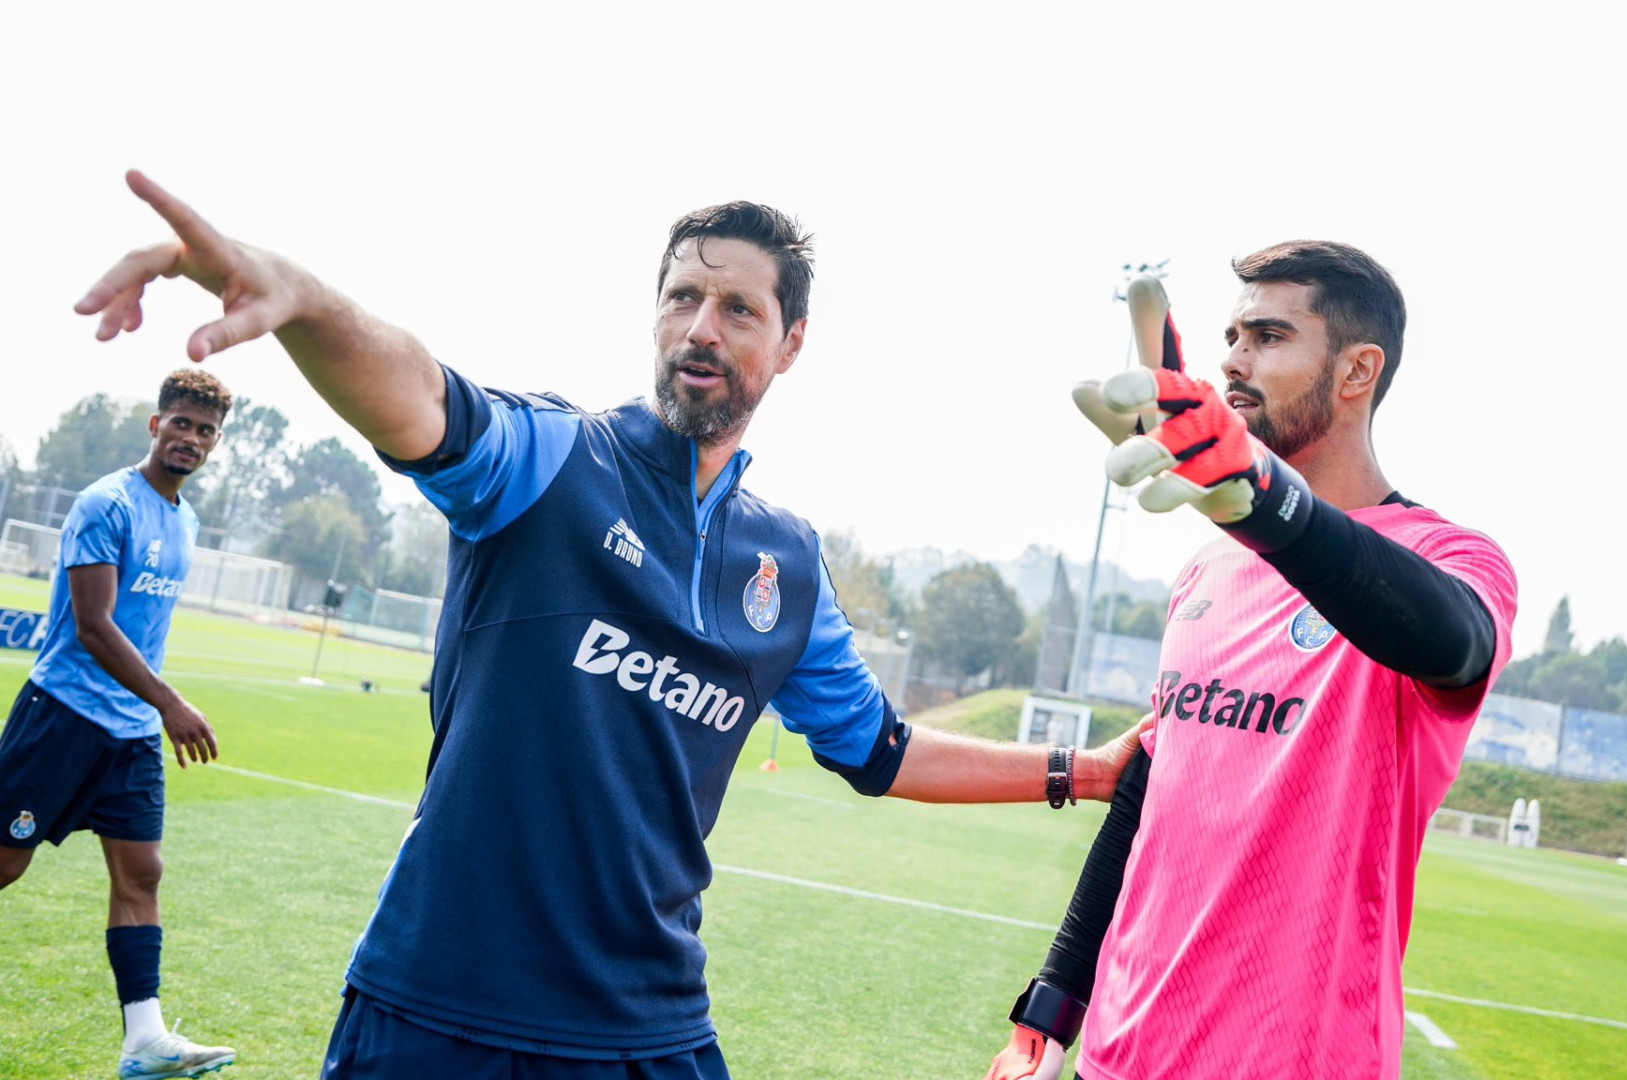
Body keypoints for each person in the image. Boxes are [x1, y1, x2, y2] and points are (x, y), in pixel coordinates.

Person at [75, 171, 1140, 1080]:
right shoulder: (553, 461)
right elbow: (420, 402)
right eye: (682, 298)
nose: (701, 329)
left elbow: (879, 748)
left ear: (792, 340)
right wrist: (304, 301)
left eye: (737, 308)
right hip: (437, 1007)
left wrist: (1085, 774)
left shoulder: (789, 564)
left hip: (648, 1029)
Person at [983, 242, 1519, 1080]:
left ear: (1356, 371)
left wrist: (1267, 503)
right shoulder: (1209, 568)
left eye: (1268, 336)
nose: (1233, 361)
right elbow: (1148, 795)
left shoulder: (1450, 559)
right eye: (1231, 336)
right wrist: (1050, 1011)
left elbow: (1454, 641)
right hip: (1119, 1056)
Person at [0, 368, 236, 1079]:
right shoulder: (106, 503)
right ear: (154, 424)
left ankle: (145, 1039)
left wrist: (151, 709)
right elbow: (96, 628)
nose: (190, 438)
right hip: (63, 716)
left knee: (143, 872)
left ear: (215, 442)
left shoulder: (186, 520)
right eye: (180, 423)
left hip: (129, 736)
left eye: (204, 430)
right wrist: (172, 703)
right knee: (6, 863)